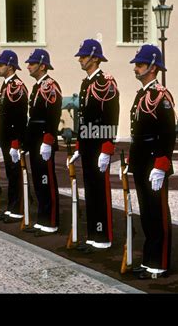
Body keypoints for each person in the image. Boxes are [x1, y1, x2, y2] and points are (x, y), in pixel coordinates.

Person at [126, 45, 176, 279]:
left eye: (140, 64)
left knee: (158, 213)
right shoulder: (142, 94)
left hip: (155, 162)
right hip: (141, 161)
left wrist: (161, 164)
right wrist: (132, 159)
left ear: (153, 67)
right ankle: (149, 260)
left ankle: (160, 262)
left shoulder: (160, 95)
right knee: (146, 213)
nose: (135, 68)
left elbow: (167, 133)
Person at [68, 39, 119, 252]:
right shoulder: (86, 82)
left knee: (100, 191)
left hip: (99, 144)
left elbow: (110, 115)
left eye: (84, 55)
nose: (80, 58)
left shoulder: (106, 81)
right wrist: (80, 145)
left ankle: (103, 236)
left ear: (95, 57)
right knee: (90, 190)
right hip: (88, 144)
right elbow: (84, 118)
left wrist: (107, 148)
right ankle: (93, 235)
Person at [23, 49, 62, 236]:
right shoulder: (38, 86)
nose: (28, 66)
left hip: (43, 141)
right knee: (38, 181)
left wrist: (48, 140)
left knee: (47, 181)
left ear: (42, 65)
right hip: (35, 140)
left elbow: (53, 116)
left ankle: (51, 221)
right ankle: (42, 218)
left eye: (32, 63)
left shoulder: (50, 86)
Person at [0, 50, 29, 223]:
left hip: (14, 139)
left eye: (0, 65)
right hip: (7, 138)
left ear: (10, 65)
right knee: (10, 173)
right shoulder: (7, 85)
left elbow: (19, 118)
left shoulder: (16, 86)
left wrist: (16, 141)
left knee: (16, 174)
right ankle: (11, 207)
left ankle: (18, 209)